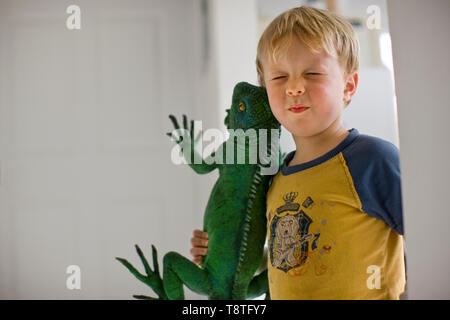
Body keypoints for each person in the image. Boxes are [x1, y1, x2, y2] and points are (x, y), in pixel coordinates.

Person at [190, 6, 406, 299]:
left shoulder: (372, 160)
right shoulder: (275, 176)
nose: (293, 87)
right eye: (279, 78)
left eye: (312, 73)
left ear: (348, 86)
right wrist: (221, 248)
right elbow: (287, 260)